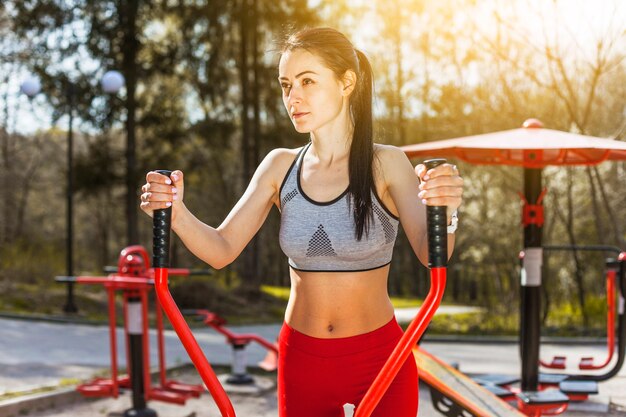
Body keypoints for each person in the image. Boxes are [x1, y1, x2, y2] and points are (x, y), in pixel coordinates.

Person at [140, 27, 463, 417]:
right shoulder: (280, 166)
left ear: (347, 82)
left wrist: (446, 208)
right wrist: (176, 212)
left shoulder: (386, 163)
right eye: (286, 84)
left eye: (308, 81)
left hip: (380, 359)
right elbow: (221, 250)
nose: (293, 97)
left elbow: (433, 255)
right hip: (302, 358)